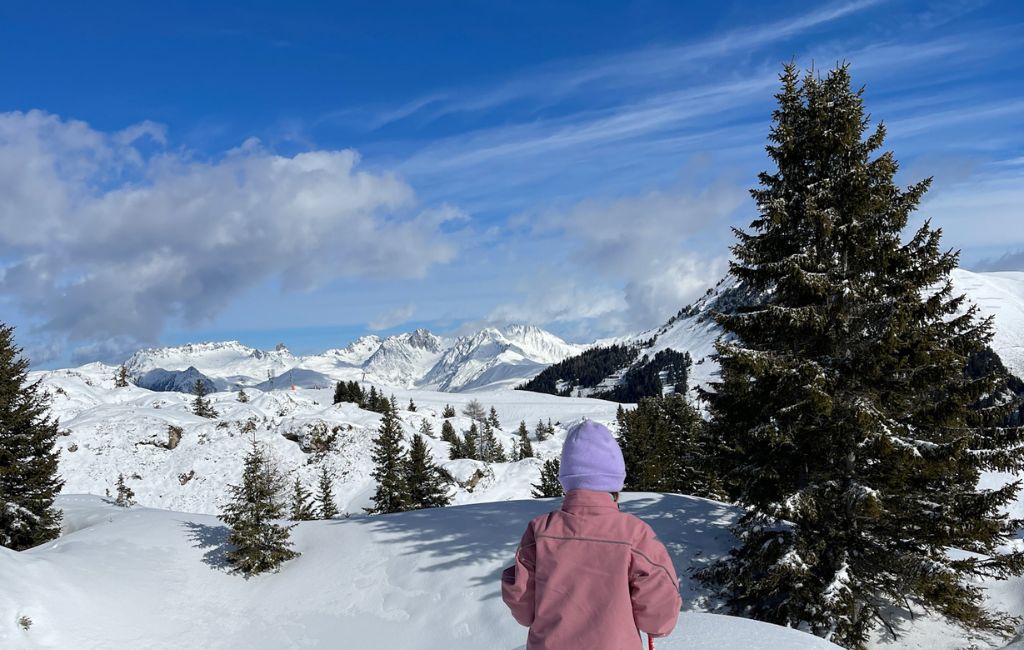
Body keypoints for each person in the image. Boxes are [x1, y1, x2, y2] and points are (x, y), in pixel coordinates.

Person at [501, 419, 682, 649]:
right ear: (615, 483)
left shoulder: (540, 531)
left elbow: (523, 612)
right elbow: (659, 621)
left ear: (567, 480)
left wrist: (510, 578)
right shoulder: (635, 535)